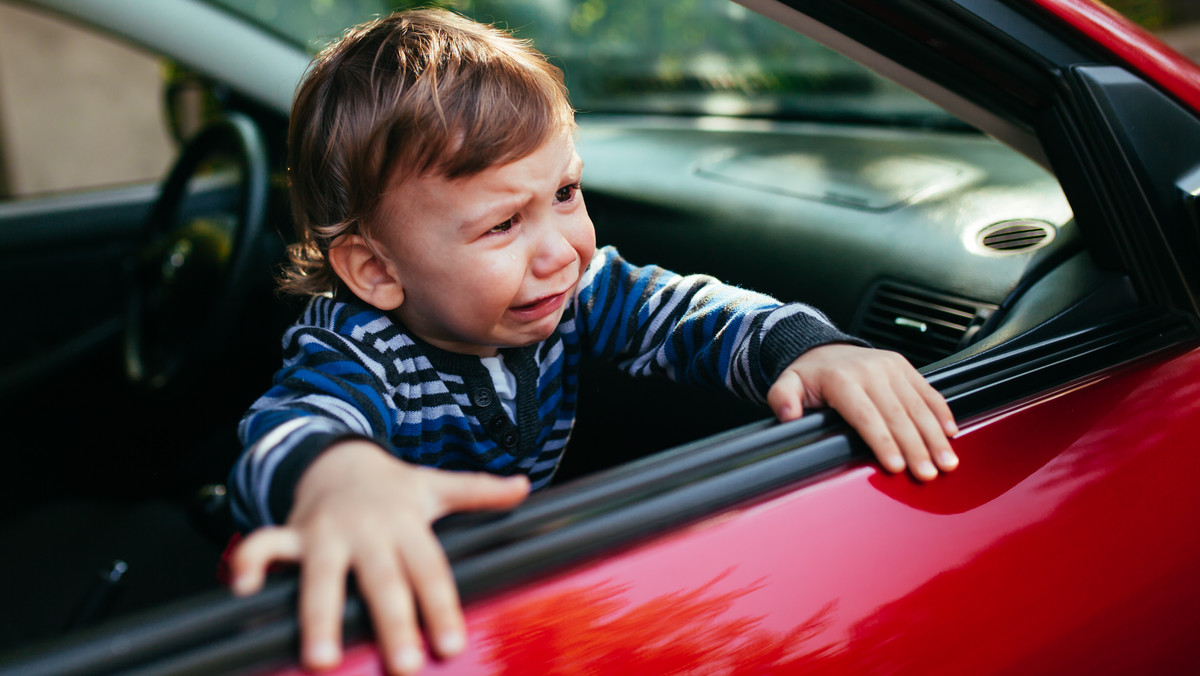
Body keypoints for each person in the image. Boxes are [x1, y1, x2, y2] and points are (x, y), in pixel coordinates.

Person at [226, 8, 959, 675]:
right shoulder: (358, 348)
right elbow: (285, 431)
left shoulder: (570, 295)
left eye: (565, 194)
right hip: (377, 616)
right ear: (377, 270)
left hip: (502, 601)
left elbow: (686, 313)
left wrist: (809, 350)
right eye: (503, 225)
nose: (561, 252)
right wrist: (341, 481)